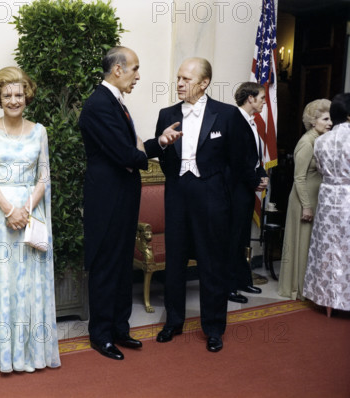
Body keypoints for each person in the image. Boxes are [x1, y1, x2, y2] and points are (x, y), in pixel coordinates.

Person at [78, 46, 182, 361]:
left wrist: (157, 142)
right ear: (118, 70)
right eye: (135, 68)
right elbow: (125, 155)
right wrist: (138, 152)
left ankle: (120, 329)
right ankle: (101, 335)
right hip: (106, 202)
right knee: (106, 267)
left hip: (122, 199)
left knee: (122, 266)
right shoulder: (98, 104)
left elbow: (131, 153)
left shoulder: (115, 102)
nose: (138, 75)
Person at [0, 66, 61, 373]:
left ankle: (28, 353)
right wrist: (9, 210)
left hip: (30, 216)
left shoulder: (40, 131)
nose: (13, 100)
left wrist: (26, 208)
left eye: (19, 94)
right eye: (7, 94)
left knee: (27, 284)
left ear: (27, 95)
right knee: (1, 283)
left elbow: (44, 175)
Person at [153, 57, 248, 353]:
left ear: (204, 83)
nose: (179, 83)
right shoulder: (166, 113)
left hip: (212, 197)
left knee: (212, 262)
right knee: (175, 261)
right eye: (178, 78)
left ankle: (214, 327)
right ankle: (173, 322)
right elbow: (165, 159)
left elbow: (241, 162)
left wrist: (221, 193)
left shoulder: (227, 114)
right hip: (177, 194)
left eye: (186, 79)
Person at [278, 99, 331, 300]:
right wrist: (307, 206)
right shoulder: (307, 142)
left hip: (314, 197)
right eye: (325, 119)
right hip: (303, 199)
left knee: (309, 244)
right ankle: (296, 288)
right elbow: (298, 177)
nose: (330, 123)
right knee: (301, 243)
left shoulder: (320, 140)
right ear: (313, 121)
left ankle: (306, 286)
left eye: (330, 118)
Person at [304, 93, 350, 317]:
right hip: (348, 196)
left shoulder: (321, 140)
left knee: (327, 247)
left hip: (328, 196)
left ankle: (326, 299)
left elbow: (321, 170)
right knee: (347, 249)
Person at [227, 82, 270, 304]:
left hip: (246, 187)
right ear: (250, 98)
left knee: (243, 236)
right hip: (235, 189)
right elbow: (236, 160)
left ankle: (243, 280)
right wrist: (255, 181)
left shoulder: (253, 122)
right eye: (261, 98)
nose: (264, 101)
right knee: (233, 239)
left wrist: (262, 175)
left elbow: (254, 157)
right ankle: (229, 287)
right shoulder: (234, 119)